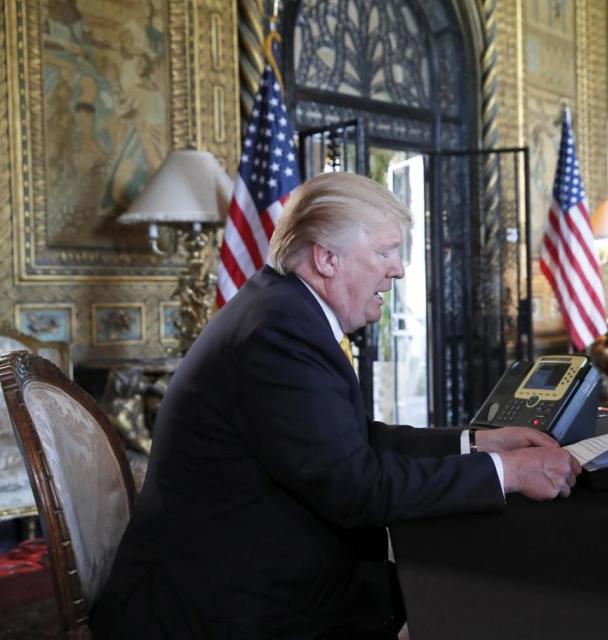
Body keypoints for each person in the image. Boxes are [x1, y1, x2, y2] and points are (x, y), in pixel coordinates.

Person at [92, 172, 581, 639]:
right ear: (327, 259)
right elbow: (354, 487)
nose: (400, 268)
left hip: (246, 572)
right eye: (387, 251)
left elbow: (352, 441)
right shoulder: (279, 333)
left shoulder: (284, 310)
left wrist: (474, 443)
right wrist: (508, 473)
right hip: (218, 608)